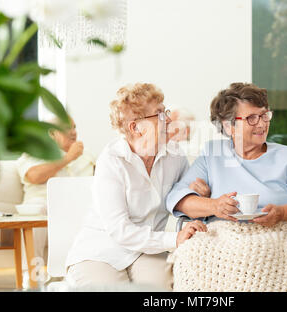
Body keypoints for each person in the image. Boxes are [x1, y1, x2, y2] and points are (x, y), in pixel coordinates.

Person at [65, 83, 207, 290]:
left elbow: (184, 197)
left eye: (164, 111)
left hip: (148, 251)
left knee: (162, 289)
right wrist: (174, 239)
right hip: (102, 250)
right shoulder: (112, 160)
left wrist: (197, 192)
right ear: (136, 127)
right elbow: (120, 230)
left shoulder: (175, 154)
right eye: (159, 114)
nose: (167, 119)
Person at [166, 82, 287, 228]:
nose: (262, 124)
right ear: (228, 126)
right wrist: (214, 206)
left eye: (264, 115)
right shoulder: (212, 154)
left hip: (274, 243)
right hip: (221, 244)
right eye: (251, 118)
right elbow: (177, 198)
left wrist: (282, 213)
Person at [17, 116, 95, 262]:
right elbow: (34, 176)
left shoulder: (87, 155)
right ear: (51, 134)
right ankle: (32, 275)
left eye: (74, 127)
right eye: (66, 128)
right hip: (43, 206)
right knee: (35, 210)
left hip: (77, 207)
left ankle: (75, 275)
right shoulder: (36, 152)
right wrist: (67, 158)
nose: (73, 132)